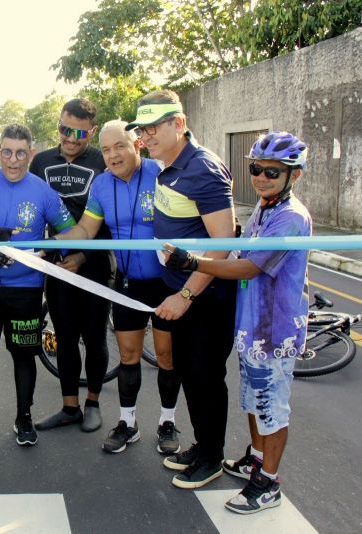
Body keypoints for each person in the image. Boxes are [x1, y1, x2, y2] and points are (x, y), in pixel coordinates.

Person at [164, 131, 310, 514]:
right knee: (253, 398)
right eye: (256, 169)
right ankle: (256, 459)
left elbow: (248, 265)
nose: (261, 177)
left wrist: (195, 262)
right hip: (251, 327)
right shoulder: (265, 208)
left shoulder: (291, 218)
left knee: (270, 407)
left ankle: (268, 483)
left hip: (273, 330)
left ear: (294, 175)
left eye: (272, 172)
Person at [129, 90, 237, 489]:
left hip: (204, 297)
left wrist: (185, 295)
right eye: (142, 129)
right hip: (179, 290)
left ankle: (213, 457)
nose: (146, 136)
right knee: (191, 375)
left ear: (179, 123)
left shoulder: (202, 168)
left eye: (154, 127)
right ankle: (204, 444)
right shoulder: (169, 165)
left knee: (206, 377)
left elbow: (223, 241)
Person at [53, 120, 182, 455]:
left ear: (136, 144)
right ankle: (128, 422)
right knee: (128, 356)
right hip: (127, 284)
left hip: (166, 283)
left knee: (167, 357)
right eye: (107, 149)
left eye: (119, 146)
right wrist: (43, 242)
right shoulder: (101, 186)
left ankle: (167, 421)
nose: (112, 155)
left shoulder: (161, 173)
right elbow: (85, 230)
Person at [0, 123, 75, 446]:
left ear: (30, 153)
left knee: (24, 355)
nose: (13, 160)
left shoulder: (43, 191)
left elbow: (70, 229)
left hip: (26, 290)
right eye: (7, 152)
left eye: (21, 153)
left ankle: (24, 418)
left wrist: (49, 247)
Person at [29, 98, 112, 433]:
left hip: (93, 263)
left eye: (80, 133)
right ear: (58, 126)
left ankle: (92, 403)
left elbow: (111, 216)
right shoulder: (41, 162)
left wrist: (83, 256)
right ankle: (69, 406)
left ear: (91, 132)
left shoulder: (103, 160)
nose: (72, 138)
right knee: (64, 337)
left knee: (94, 337)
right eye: (65, 129)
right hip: (56, 264)